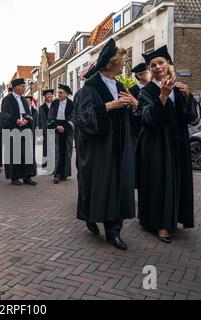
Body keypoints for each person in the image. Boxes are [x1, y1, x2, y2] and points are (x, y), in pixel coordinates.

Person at [75, 39, 136, 250]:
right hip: (99, 148)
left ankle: (114, 231)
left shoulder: (120, 86)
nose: (124, 65)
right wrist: (109, 106)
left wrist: (132, 106)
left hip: (119, 145)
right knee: (98, 185)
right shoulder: (90, 87)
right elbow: (82, 117)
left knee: (119, 185)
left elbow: (128, 116)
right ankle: (91, 217)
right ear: (112, 63)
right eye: (122, 61)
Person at [137, 46, 199, 243]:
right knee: (160, 181)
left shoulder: (179, 87)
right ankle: (160, 224)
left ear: (169, 64)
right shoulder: (147, 91)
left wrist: (188, 95)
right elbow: (147, 118)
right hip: (156, 144)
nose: (157, 67)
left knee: (177, 180)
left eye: (161, 63)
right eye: (153, 65)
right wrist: (163, 96)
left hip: (177, 142)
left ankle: (173, 218)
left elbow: (191, 117)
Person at [1, 78, 37, 186]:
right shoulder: (7, 99)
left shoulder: (23, 99)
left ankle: (27, 176)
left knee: (27, 153)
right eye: (22, 86)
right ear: (16, 87)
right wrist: (16, 120)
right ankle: (15, 177)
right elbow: (4, 115)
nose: (24, 88)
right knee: (14, 153)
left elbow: (28, 113)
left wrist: (27, 120)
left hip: (24, 128)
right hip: (14, 129)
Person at [48, 84, 75, 184]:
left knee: (66, 152)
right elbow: (50, 117)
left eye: (61, 92)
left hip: (67, 130)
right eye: (58, 92)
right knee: (57, 152)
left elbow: (74, 117)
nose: (58, 94)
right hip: (57, 129)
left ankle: (64, 174)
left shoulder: (71, 104)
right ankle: (57, 174)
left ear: (66, 94)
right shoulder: (54, 103)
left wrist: (65, 127)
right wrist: (56, 126)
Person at [129, 63, 149, 151]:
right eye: (147, 72)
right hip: (139, 128)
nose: (151, 74)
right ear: (140, 76)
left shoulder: (154, 88)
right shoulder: (132, 91)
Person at [39, 89, 54, 169]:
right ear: (45, 96)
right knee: (46, 147)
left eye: (50, 94)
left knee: (54, 147)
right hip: (46, 129)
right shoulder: (42, 107)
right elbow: (40, 120)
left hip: (55, 129)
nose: (49, 96)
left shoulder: (55, 105)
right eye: (47, 94)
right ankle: (46, 163)